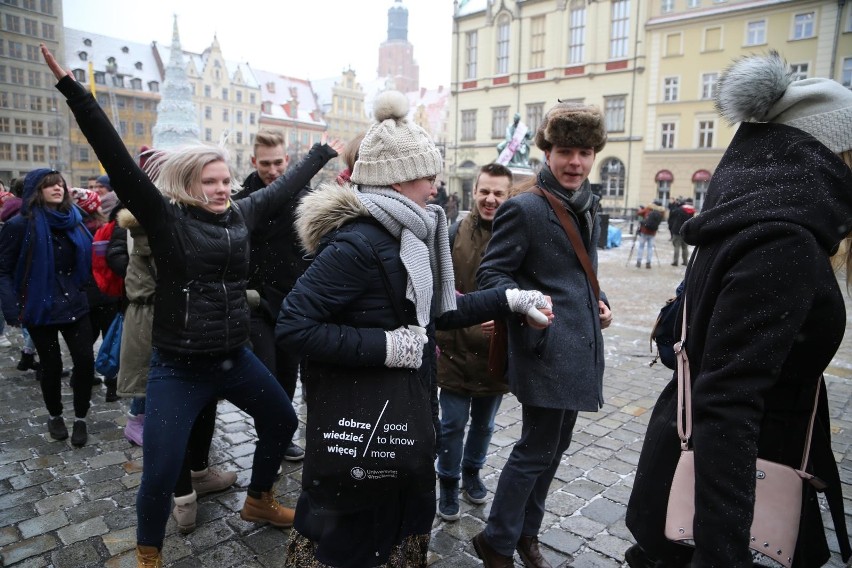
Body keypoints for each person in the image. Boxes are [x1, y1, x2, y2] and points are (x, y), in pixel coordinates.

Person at [42, 43, 303, 567]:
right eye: (209, 182)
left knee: (281, 420)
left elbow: (282, 190)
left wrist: (324, 156)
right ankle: (148, 554)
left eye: (226, 180)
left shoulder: (238, 215)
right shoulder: (166, 221)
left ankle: (258, 498)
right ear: (188, 185)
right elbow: (115, 157)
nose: (221, 189)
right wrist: (74, 90)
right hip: (178, 367)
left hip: (235, 357)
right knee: (160, 471)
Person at [276, 90, 552, 568]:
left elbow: (439, 313)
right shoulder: (359, 242)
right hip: (364, 415)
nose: (435, 185)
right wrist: (386, 346)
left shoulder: (411, 233)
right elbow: (294, 325)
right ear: (398, 180)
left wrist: (510, 299)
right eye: (428, 175)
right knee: (354, 536)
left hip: (401, 406)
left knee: (395, 516)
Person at [625, 51, 852, 568]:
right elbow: (729, 401)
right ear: (831, 155)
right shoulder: (782, 239)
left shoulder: (748, 221)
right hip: (729, 488)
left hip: (694, 465)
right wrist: (722, 553)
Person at [472, 101, 613, 568]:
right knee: (535, 449)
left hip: (582, 349)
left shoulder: (587, 204)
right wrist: (526, 304)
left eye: (586, 152)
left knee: (554, 450)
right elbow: (492, 277)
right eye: (567, 151)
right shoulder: (525, 208)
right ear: (548, 152)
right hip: (546, 349)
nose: (576, 162)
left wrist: (601, 298)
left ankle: (525, 533)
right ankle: (497, 539)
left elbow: (582, 270)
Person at [233, 129, 343, 463]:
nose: (272, 169)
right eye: (265, 163)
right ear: (254, 161)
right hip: (255, 302)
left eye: (278, 162)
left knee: (286, 374)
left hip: (291, 302)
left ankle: (279, 437)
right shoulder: (242, 197)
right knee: (265, 380)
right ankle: (271, 440)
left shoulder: (304, 198)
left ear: (287, 160)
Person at [435, 163, 512, 522]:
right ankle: (448, 480)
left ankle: (471, 472)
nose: (491, 199)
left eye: (499, 193)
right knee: (451, 423)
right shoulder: (453, 231)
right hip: (454, 347)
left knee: (484, 424)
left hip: (495, 351)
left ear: (509, 196)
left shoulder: (515, 235)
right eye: (485, 191)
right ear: (474, 192)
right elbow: (435, 285)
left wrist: (506, 319)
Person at [0, 169, 95, 446]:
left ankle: (81, 418)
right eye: (50, 185)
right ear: (36, 190)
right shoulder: (20, 225)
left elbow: (86, 263)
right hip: (40, 307)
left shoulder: (74, 222)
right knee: (51, 367)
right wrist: (12, 307)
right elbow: (3, 269)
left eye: (60, 184)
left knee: (85, 363)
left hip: (75, 304)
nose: (58, 188)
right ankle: (55, 415)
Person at [634, 200, 665, 268]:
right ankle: (648, 263)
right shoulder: (661, 212)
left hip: (644, 230)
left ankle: (639, 262)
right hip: (653, 232)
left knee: (641, 247)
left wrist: (642, 209)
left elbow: (639, 213)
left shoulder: (648, 209)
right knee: (650, 248)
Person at [667, 197, 694, 267]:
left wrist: (676, 204)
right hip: (686, 231)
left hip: (677, 230)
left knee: (677, 246)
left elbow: (672, 213)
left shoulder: (680, 210)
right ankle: (685, 261)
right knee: (685, 247)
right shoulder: (692, 211)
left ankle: (675, 261)